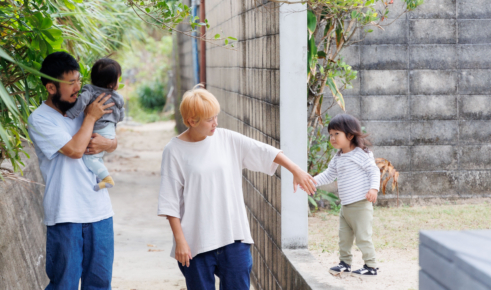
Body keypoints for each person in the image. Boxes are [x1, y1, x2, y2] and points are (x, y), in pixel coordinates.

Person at [157, 86, 317, 290]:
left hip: (233, 237)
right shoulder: (174, 151)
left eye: (216, 116)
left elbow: (264, 151)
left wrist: (296, 170)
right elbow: (170, 201)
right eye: (209, 119)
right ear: (191, 121)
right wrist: (180, 241)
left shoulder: (225, 139)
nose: (216, 123)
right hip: (196, 242)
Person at [27, 51, 118, 290]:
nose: (77, 87)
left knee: (100, 284)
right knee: (64, 284)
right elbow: (75, 150)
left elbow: (111, 138)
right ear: (51, 87)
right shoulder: (40, 119)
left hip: (99, 211)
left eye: (79, 80)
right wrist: (89, 118)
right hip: (66, 214)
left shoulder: (87, 103)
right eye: (70, 83)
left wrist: (107, 143)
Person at [314, 113, 380, 276]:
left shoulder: (360, 154)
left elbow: (374, 171)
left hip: (360, 204)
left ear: (350, 135)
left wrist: (373, 189)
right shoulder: (338, 157)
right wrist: (311, 181)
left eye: (337, 134)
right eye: (330, 134)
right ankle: (345, 263)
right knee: (344, 238)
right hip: (346, 206)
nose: (332, 138)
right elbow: (329, 174)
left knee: (363, 237)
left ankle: (371, 266)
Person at [65, 57, 125, 191]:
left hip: (99, 129)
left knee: (90, 158)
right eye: (118, 79)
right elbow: (121, 115)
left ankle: (106, 178)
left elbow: (80, 103)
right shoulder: (117, 96)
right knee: (96, 157)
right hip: (109, 130)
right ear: (111, 84)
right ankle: (100, 175)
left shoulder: (90, 91)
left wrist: (70, 113)